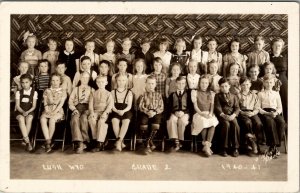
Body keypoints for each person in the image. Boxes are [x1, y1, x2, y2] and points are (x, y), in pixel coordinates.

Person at [258, 74, 286, 158]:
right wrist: (266, 113)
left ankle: (273, 146)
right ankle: (273, 147)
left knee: (281, 122)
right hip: (265, 113)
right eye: (266, 82)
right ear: (263, 83)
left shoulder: (276, 94)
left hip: (274, 112)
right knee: (270, 122)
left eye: (271, 82)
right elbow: (258, 107)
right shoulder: (260, 94)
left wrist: (276, 113)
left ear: (274, 83)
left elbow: (280, 107)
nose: (269, 84)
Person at [191, 75, 219, 157]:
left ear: (208, 84)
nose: (204, 85)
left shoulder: (211, 93)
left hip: (209, 113)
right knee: (203, 121)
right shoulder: (195, 92)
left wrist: (210, 114)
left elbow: (212, 106)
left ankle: (206, 145)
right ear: (199, 83)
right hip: (199, 113)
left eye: (206, 83)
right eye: (202, 83)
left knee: (212, 122)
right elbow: (195, 106)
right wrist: (201, 113)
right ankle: (207, 146)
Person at [40, 73, 67, 153]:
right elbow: (45, 102)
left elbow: (61, 104)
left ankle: (48, 142)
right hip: (48, 109)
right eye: (53, 80)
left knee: (52, 120)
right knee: (42, 119)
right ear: (51, 81)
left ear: (60, 81)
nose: (55, 82)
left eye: (57, 80)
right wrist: (47, 110)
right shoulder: (47, 90)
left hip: (58, 111)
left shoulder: (63, 91)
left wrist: (54, 112)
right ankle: (48, 140)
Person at [214, 78, 240, 157]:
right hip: (222, 116)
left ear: (229, 86)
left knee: (235, 124)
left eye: (226, 86)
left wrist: (233, 115)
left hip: (232, 116)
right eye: (222, 86)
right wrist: (224, 115)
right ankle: (223, 148)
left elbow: (237, 108)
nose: (224, 88)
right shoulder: (217, 96)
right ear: (219, 87)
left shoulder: (234, 96)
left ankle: (235, 148)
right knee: (226, 124)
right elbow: (217, 107)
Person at [68, 72, 94, 154]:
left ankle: (85, 140)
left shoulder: (92, 89)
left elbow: (93, 103)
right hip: (77, 107)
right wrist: (74, 109)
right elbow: (70, 101)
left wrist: (90, 110)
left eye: (87, 78)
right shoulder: (76, 89)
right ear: (80, 78)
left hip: (87, 107)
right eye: (83, 77)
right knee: (75, 119)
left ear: (89, 79)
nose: (85, 79)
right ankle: (79, 142)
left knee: (83, 119)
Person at [237, 77, 263, 156]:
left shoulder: (254, 95)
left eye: (247, 84)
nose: (245, 87)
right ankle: (252, 144)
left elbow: (257, 107)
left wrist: (253, 113)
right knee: (248, 122)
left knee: (258, 123)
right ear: (240, 85)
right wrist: (242, 113)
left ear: (250, 85)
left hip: (252, 112)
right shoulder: (238, 95)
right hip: (243, 113)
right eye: (243, 85)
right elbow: (236, 107)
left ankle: (256, 143)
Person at [139, 75, 164, 154]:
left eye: (152, 84)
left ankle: (147, 143)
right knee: (143, 123)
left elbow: (161, 107)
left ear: (155, 84)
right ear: (145, 84)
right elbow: (140, 106)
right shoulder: (143, 95)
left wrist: (154, 112)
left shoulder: (158, 95)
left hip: (156, 112)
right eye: (149, 83)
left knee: (156, 124)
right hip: (146, 112)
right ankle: (150, 143)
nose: (150, 86)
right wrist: (147, 112)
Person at [88, 76, 113, 152]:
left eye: (102, 82)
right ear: (96, 83)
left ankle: (100, 142)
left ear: (106, 83)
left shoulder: (108, 93)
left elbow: (110, 105)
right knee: (91, 119)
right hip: (96, 111)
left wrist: (105, 113)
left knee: (101, 122)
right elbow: (90, 105)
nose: (100, 84)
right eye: (98, 82)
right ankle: (95, 139)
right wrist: (92, 112)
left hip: (104, 112)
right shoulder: (93, 93)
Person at [167, 76, 191, 151]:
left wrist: (184, 112)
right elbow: (169, 107)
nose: (181, 85)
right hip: (174, 113)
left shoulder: (188, 94)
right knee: (171, 120)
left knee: (182, 121)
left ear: (185, 84)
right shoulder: (172, 95)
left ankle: (181, 140)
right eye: (179, 84)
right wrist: (175, 112)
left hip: (185, 113)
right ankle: (175, 141)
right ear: (176, 84)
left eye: (183, 84)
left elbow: (190, 107)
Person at [14, 74, 38, 152]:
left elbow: (34, 106)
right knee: (21, 119)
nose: (24, 84)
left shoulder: (34, 92)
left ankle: (24, 139)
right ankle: (27, 141)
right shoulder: (18, 92)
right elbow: (17, 106)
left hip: (30, 110)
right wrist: (23, 112)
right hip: (20, 111)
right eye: (23, 83)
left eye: (26, 82)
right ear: (21, 83)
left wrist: (27, 112)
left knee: (29, 118)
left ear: (30, 82)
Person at [111, 74, 133, 151]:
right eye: (119, 80)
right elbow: (112, 105)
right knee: (114, 121)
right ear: (116, 81)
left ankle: (119, 141)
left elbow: (129, 106)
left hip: (126, 110)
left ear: (126, 81)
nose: (121, 82)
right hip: (116, 109)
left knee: (126, 121)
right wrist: (117, 111)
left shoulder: (129, 92)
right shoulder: (113, 92)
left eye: (123, 80)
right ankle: (120, 142)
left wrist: (123, 111)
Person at [270, 38, 287, 121]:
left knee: (284, 99)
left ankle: (286, 121)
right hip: (271, 81)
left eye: (279, 46)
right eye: (275, 45)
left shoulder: (285, 57)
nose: (277, 47)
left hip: (283, 80)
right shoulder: (268, 57)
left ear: (282, 47)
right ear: (272, 46)